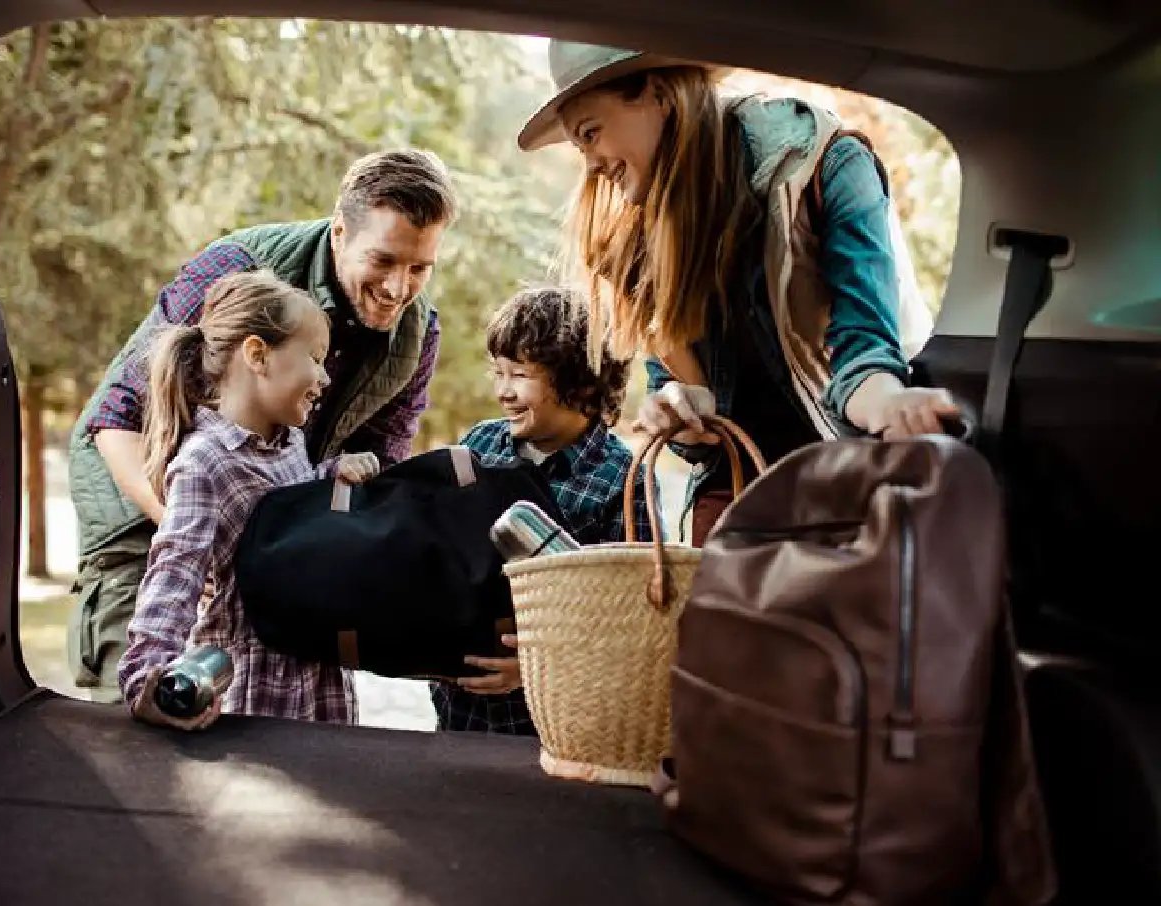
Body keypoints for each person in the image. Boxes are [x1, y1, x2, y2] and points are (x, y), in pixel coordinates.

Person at [519, 41, 960, 545]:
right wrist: (678, 411)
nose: (593, 164)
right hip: (741, 502)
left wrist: (892, 406)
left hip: (851, 478)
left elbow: (866, 356)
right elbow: (694, 415)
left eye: (591, 134)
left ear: (657, 94)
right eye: (581, 149)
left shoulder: (824, 163)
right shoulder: (636, 247)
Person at [67, 149, 457, 701]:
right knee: (144, 724)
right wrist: (204, 542)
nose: (398, 287)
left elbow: (377, 471)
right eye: (384, 260)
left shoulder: (417, 336)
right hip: (146, 514)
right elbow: (116, 420)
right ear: (340, 232)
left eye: (420, 268)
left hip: (267, 535)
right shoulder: (236, 266)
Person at [118, 270, 381, 730]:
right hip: (256, 688)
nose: (324, 377)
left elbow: (284, 514)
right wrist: (146, 681)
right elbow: (174, 575)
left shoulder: (289, 443)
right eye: (316, 358)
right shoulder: (205, 462)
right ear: (258, 354)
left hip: (318, 678)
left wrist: (329, 476)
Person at [430, 285, 657, 736]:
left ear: (581, 380)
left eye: (519, 375)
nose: (503, 391)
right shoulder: (479, 445)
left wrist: (532, 668)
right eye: (497, 372)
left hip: (553, 720)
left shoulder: (622, 479)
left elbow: (631, 618)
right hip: (460, 711)